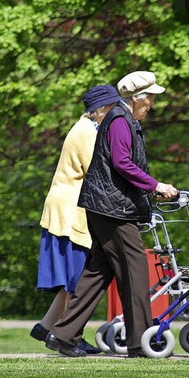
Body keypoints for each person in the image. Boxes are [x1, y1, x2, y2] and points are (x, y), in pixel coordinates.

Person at [46, 71, 178, 358]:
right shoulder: (119, 119)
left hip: (107, 205)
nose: (152, 104)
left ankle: (63, 335)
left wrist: (148, 189)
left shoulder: (122, 118)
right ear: (137, 98)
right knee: (135, 272)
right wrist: (155, 185)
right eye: (151, 98)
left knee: (98, 271)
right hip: (113, 209)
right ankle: (140, 343)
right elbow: (122, 163)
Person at [30, 85, 122, 353]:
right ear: (102, 109)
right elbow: (101, 168)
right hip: (72, 209)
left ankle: (47, 326)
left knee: (75, 277)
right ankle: (69, 334)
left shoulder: (83, 128)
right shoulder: (87, 133)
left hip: (65, 206)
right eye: (114, 108)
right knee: (80, 278)